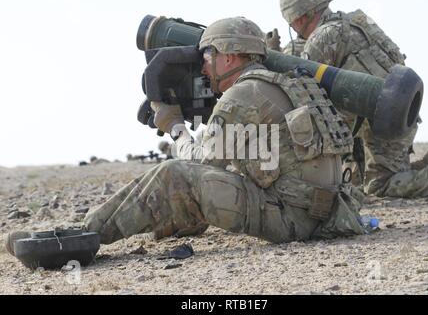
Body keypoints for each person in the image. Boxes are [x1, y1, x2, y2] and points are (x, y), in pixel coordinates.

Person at [4, 17, 367, 254]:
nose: (205, 66)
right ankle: (161, 222)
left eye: (207, 55)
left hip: (296, 222)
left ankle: (80, 237)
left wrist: (174, 127)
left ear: (228, 57)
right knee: (213, 179)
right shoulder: (289, 86)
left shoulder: (246, 94)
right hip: (332, 214)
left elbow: (199, 162)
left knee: (175, 174)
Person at [279, 0, 428, 198]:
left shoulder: (321, 39)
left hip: (384, 121)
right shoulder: (357, 21)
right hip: (406, 108)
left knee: (379, 186)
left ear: (298, 18)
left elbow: (303, 92)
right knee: (358, 179)